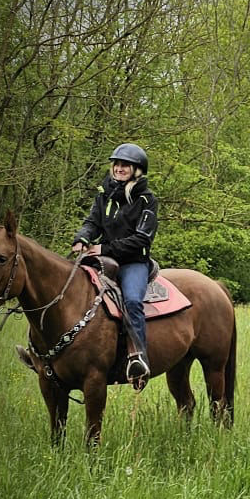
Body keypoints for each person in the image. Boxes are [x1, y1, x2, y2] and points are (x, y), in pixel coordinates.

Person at [72, 143, 159, 388]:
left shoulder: (147, 200)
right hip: (103, 258)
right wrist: (82, 238)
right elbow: (92, 222)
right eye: (117, 164)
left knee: (131, 300)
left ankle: (138, 357)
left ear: (137, 170)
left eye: (126, 165)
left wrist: (104, 248)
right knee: (67, 286)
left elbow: (142, 239)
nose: (120, 168)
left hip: (133, 262)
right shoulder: (104, 194)